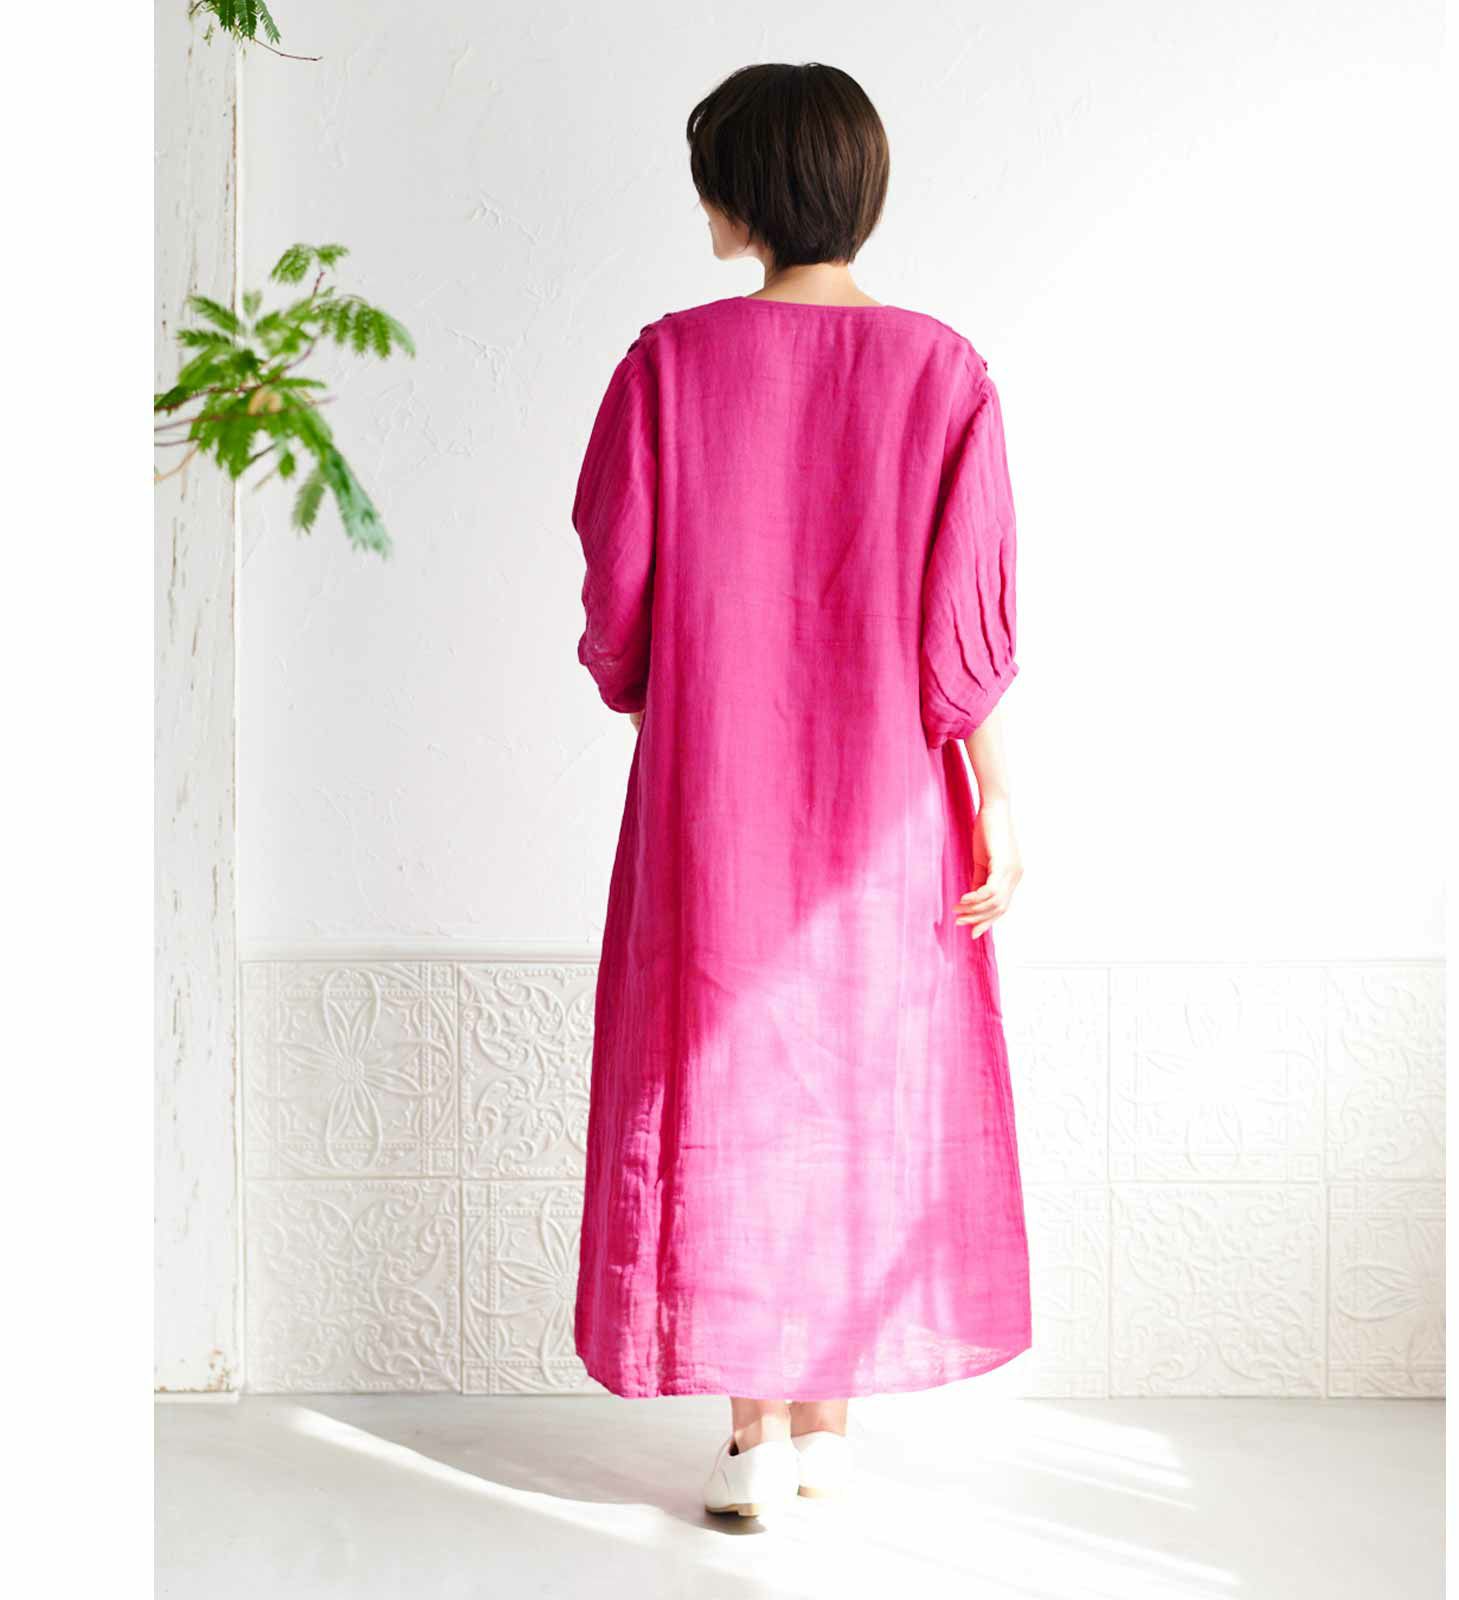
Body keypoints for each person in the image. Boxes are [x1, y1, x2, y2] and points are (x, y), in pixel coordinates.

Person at [570, 61, 1028, 1519]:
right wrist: (996, 801)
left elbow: (620, 596)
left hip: (715, 797)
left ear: (744, 195)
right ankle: (827, 1428)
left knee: (723, 1073)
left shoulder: (669, 365)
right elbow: (967, 634)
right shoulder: (943, 372)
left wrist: (664, 685)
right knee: (861, 1076)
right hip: (889, 809)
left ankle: (758, 1435)